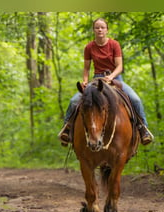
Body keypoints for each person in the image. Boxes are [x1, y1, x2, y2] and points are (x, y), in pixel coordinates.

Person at [58, 17, 153, 146]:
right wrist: (85, 81)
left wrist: (111, 76)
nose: (100, 30)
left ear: (107, 30)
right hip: (96, 79)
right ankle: (67, 129)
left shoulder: (114, 44)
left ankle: (144, 129)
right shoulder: (89, 47)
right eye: (97, 27)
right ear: (94, 30)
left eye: (102, 27)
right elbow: (86, 68)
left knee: (135, 99)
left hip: (115, 79)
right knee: (74, 100)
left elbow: (119, 66)